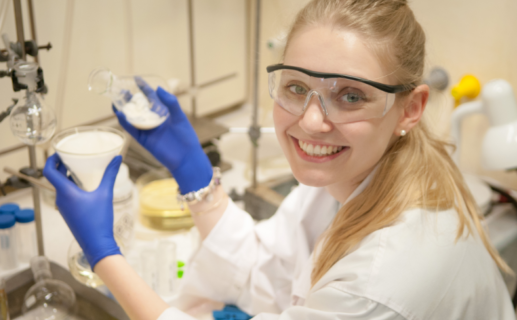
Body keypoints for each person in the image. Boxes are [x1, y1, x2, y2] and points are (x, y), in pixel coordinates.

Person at [43, 0, 516, 319]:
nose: (311, 121)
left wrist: (103, 254)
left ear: (409, 109)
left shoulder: (380, 284)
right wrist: (195, 175)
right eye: (295, 87)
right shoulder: (358, 177)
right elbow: (264, 269)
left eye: (350, 96)